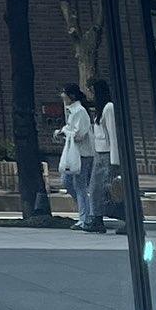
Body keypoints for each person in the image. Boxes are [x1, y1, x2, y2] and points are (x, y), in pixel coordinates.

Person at [55, 82, 95, 226]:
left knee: (79, 185)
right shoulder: (72, 111)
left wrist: (65, 132)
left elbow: (79, 134)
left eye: (64, 93)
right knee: (67, 181)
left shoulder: (79, 111)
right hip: (74, 152)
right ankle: (86, 211)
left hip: (82, 153)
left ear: (71, 96)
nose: (62, 96)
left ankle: (85, 217)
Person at [84, 78, 118, 232]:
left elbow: (113, 134)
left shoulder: (109, 108)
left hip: (107, 154)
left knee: (105, 188)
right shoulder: (100, 109)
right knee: (95, 188)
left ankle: (101, 218)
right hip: (99, 153)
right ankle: (97, 219)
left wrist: (115, 160)